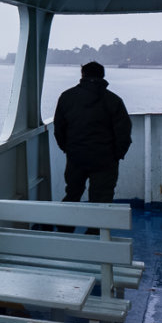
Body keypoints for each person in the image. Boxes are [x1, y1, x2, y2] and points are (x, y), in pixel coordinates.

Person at [54, 61, 132, 217]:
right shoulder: (114, 100)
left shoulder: (67, 97)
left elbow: (59, 129)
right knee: (101, 200)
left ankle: (65, 231)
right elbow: (123, 132)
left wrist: (68, 149)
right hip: (105, 159)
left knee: (72, 194)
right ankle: (96, 233)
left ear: (83, 75)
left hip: (76, 157)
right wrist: (116, 155)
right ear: (102, 76)